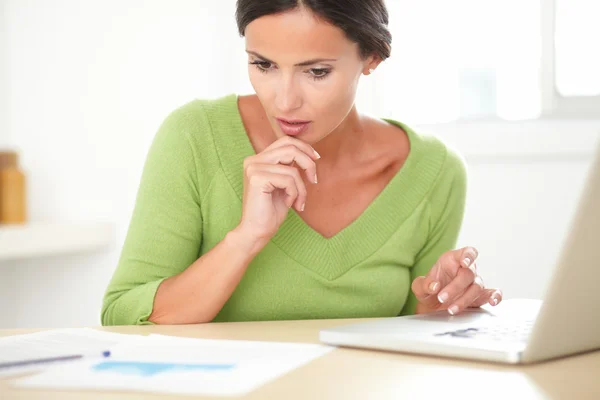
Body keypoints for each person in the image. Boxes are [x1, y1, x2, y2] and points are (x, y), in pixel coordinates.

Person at [101, 0, 503, 326]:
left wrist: (442, 305)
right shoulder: (195, 136)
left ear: (372, 58)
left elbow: (402, 339)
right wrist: (246, 239)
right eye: (263, 65)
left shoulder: (434, 169)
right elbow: (121, 316)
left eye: (316, 72)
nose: (284, 101)